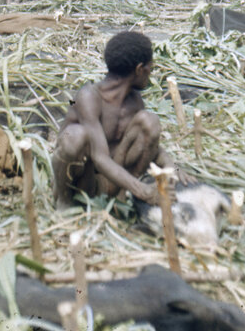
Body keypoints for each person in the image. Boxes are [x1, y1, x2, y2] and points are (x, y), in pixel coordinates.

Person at [52, 31, 189, 210]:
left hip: (110, 183)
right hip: (82, 181)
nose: (151, 73)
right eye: (150, 68)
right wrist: (145, 191)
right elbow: (99, 157)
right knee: (76, 135)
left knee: (149, 121)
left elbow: (151, 144)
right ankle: (64, 202)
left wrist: (173, 167)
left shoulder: (134, 102)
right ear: (140, 69)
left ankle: (121, 197)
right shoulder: (88, 96)